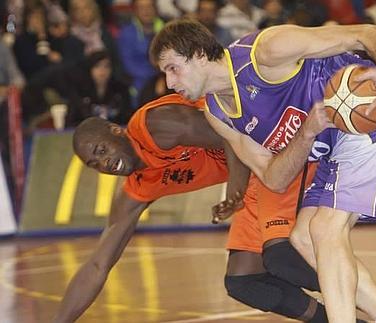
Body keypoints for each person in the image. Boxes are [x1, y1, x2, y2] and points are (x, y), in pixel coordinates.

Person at [150, 20, 376, 323]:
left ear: (198, 54)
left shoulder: (267, 52)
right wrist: (305, 133)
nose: (170, 83)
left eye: (173, 68)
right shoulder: (218, 114)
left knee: (326, 229)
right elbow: (274, 178)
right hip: (338, 146)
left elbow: (364, 34)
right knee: (303, 238)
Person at [52, 94, 353, 323]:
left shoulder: (155, 126)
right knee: (246, 282)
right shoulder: (138, 187)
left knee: (282, 257)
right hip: (253, 175)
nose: (105, 164)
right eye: (96, 164)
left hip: (276, 147)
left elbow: (229, 134)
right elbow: (97, 265)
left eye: (101, 151)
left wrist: (233, 189)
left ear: (116, 131)